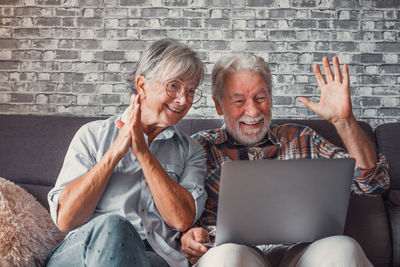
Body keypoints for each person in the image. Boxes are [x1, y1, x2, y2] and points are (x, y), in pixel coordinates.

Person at [180, 52, 390, 267]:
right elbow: (179, 215)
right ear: (218, 105)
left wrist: (344, 121)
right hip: (233, 252)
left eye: (260, 98)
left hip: (302, 252)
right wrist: (188, 236)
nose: (252, 111)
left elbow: (372, 184)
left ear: (270, 98)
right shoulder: (200, 148)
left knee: (343, 249)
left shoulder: (301, 137)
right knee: (226, 258)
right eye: (239, 101)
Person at [46, 38, 208, 267]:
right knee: (114, 227)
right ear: (142, 86)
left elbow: (181, 220)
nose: (183, 100)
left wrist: (144, 155)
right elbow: (66, 219)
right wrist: (114, 153)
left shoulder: (191, 150)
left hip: (152, 257)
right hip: (83, 253)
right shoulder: (92, 135)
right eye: (174, 85)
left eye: (190, 91)